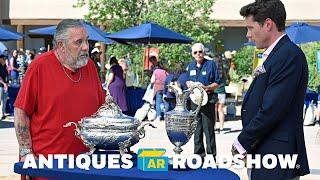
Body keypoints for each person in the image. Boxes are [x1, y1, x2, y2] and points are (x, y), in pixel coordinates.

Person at [14, 19, 105, 179]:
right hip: (46, 167)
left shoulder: (90, 66)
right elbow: (21, 111)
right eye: (79, 42)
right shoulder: (40, 66)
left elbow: (101, 108)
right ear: (61, 45)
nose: (86, 47)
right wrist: (26, 152)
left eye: (87, 41)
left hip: (86, 165)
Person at [231, 1, 310, 179]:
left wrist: (242, 142)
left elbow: (272, 108)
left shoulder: (288, 55)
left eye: (250, 28)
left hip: (277, 156)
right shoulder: (277, 54)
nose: (248, 35)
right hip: (265, 153)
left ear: (268, 24)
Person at [186, 43, 220, 159]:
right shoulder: (190, 65)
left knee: (209, 129)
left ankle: (211, 156)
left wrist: (207, 88)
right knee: (196, 129)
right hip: (195, 101)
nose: (198, 54)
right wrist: (189, 84)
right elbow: (187, 81)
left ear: (203, 52)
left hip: (208, 100)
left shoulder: (211, 64)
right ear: (192, 54)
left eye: (200, 52)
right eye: (195, 52)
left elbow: (217, 82)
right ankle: (198, 155)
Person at [214, 55, 229, 134]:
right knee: (221, 110)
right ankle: (222, 128)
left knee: (214, 111)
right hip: (222, 92)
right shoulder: (225, 69)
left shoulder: (214, 70)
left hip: (215, 92)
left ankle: (215, 127)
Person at [0, 54, 8, 119]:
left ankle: (3, 114)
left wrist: (7, 83)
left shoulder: (5, 66)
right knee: (1, 100)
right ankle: (1, 114)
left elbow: (7, 75)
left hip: (5, 86)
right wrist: (4, 83)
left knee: (4, 100)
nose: (5, 60)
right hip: (1, 86)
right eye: (4, 59)